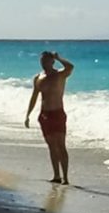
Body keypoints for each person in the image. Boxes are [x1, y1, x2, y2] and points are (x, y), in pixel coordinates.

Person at [24, 48, 74, 185]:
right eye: (41, 60)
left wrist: (59, 58)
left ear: (52, 61)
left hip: (57, 113)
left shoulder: (59, 75)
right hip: (44, 115)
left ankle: (65, 177)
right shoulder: (38, 78)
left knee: (61, 145)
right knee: (52, 146)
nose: (43, 62)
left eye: (46, 60)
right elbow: (34, 97)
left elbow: (71, 67)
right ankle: (56, 175)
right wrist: (28, 114)